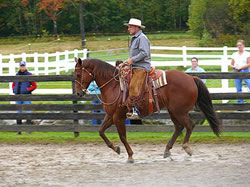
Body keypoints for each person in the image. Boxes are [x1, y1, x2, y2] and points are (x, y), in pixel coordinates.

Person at [119, 18, 151, 119]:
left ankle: (135, 110)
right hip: (134, 66)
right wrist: (125, 63)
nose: (128, 29)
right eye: (128, 27)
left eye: (130, 27)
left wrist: (131, 60)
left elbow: (144, 53)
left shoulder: (142, 38)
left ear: (137, 28)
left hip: (141, 67)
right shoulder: (135, 38)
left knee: (133, 86)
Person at [12, 61, 37, 134]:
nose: (22, 67)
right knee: (18, 113)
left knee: (27, 112)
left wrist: (27, 90)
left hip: (26, 96)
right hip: (18, 96)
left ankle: (28, 129)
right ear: (19, 67)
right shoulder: (16, 75)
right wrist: (14, 90)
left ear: (26, 67)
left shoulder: (29, 75)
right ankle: (19, 130)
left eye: (23, 66)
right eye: (21, 66)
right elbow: (13, 84)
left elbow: (34, 85)